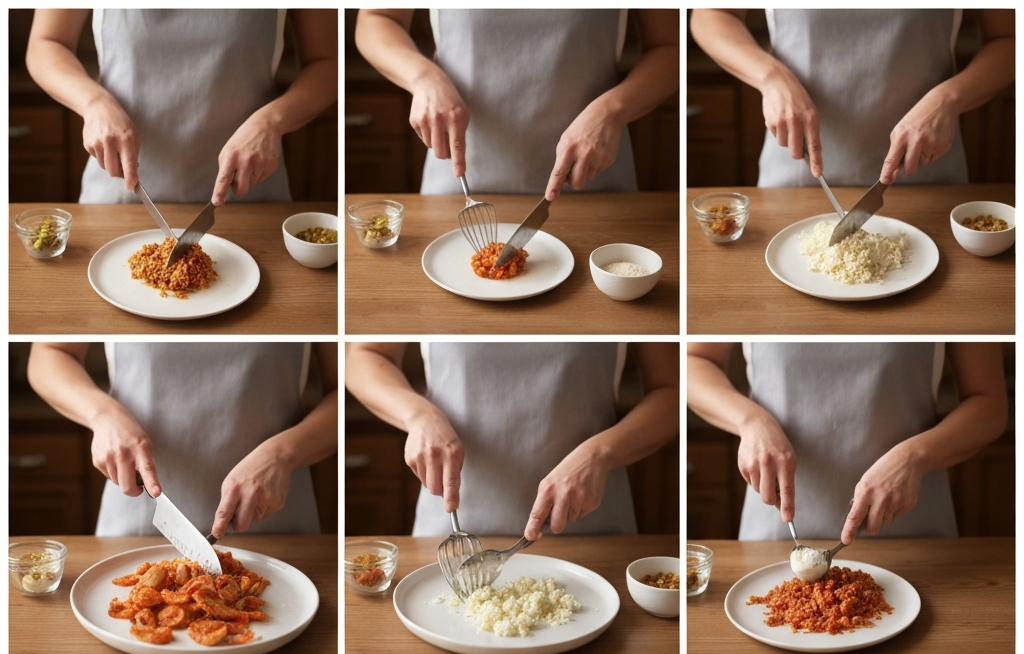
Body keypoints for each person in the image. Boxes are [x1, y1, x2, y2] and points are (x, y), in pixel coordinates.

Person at [346, 342, 678, 539]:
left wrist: (600, 453)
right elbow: (364, 355)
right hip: (451, 533)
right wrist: (417, 415)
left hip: (591, 531)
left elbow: (672, 390)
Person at [686, 343, 1007, 543]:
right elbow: (694, 361)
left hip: (912, 530)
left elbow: (989, 404)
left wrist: (914, 457)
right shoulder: (750, 269)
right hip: (776, 531)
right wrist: (750, 421)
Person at [354, 9, 678, 200]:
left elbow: (669, 48)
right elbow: (375, 18)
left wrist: (613, 109)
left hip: (594, 183)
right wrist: (422, 76)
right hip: (459, 189)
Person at [27, 342, 337, 538]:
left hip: (277, 526)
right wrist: (101, 414)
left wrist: (284, 454)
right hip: (135, 522)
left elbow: (345, 391)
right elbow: (48, 354)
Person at [25, 10, 338, 204]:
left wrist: (272, 122)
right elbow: (46, 43)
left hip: (248, 195)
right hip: (117, 196)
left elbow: (327, 63)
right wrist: (93, 103)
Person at [689, 9, 1015, 186]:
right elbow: (710, 14)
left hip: (928, 174)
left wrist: (950, 98)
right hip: (796, 176)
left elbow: (1010, 39)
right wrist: (770, 77)